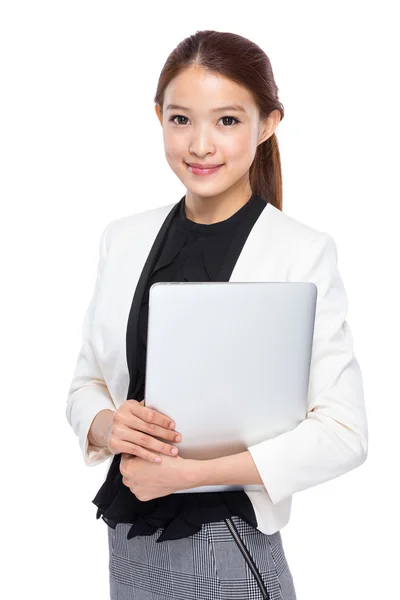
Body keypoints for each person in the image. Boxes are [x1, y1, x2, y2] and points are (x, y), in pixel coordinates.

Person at [65, 29, 368, 600]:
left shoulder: (301, 252)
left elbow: (345, 433)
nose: (200, 144)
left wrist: (188, 475)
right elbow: (87, 386)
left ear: (268, 123)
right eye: (181, 119)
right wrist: (110, 425)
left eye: (227, 121)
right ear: (159, 117)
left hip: (227, 541)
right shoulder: (124, 240)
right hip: (130, 540)